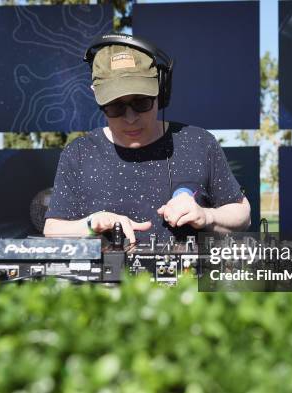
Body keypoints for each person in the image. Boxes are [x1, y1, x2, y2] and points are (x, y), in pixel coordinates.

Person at [43, 33, 251, 244]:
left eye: (142, 102)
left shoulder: (200, 143)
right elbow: (52, 229)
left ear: (161, 90)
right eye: (115, 106)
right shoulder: (79, 153)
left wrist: (208, 216)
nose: (131, 118)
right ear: (96, 95)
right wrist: (92, 223)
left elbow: (243, 215)